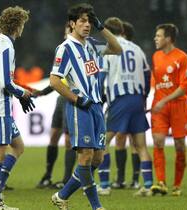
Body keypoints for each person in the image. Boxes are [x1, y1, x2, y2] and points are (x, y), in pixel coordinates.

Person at [50, 3, 122, 210]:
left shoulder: (91, 44)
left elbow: (117, 48)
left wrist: (102, 27)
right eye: (82, 20)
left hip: (97, 107)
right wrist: (76, 99)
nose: (87, 24)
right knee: (86, 156)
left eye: (89, 20)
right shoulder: (65, 48)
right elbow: (54, 80)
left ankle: (62, 196)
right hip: (79, 107)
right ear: (72, 24)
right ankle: (96, 207)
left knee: (97, 159)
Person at [0, 6, 34, 210]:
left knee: (18, 146)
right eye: (22, 24)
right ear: (18, 25)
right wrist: (23, 93)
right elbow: (6, 82)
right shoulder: (6, 46)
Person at [97, 17, 153, 197]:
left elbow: (101, 77)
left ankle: (104, 185)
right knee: (141, 145)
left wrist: (98, 98)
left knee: (103, 141)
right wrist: (143, 98)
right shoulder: (138, 49)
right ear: (122, 30)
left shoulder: (110, 49)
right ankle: (148, 185)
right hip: (137, 99)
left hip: (120, 99)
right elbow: (146, 75)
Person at [150, 23, 187, 196]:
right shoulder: (156, 56)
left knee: (179, 145)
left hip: (178, 106)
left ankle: (177, 185)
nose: (155, 39)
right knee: (158, 141)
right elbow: (155, 80)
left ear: (168, 39)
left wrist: (165, 100)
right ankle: (161, 182)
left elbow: (185, 86)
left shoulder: (182, 58)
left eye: (158, 36)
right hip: (159, 106)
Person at [36, 24, 76, 190]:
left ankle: (67, 179)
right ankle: (47, 175)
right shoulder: (61, 50)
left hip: (71, 97)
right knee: (53, 136)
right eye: (66, 31)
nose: (67, 34)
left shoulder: (80, 51)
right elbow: (56, 78)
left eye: (70, 31)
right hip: (61, 98)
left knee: (68, 140)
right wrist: (44, 92)